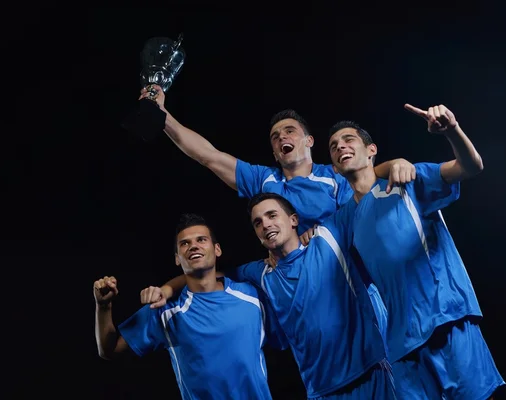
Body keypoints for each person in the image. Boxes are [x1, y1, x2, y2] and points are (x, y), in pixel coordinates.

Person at [138, 85, 415, 336]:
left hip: (348, 285)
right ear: (274, 153)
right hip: (299, 291)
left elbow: (364, 188)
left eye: (290, 131)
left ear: (309, 141)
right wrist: (163, 117)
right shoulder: (264, 180)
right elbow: (208, 156)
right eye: (275, 136)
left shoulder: (334, 177)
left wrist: (394, 164)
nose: (282, 136)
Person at [327, 103, 506, 399]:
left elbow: (471, 166)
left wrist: (452, 130)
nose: (340, 146)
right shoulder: (345, 219)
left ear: (371, 149)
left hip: (446, 319)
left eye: (348, 140)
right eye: (333, 146)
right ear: (334, 167)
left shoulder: (406, 180)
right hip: (401, 345)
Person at [143, 193, 396, 399]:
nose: (265, 224)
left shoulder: (329, 236)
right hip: (320, 390)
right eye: (257, 222)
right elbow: (203, 272)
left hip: (370, 373)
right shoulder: (258, 273)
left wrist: (395, 164)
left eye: (272, 215)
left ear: (293, 219)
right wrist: (166, 289)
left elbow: (365, 189)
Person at [94, 213, 284, 400]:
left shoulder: (252, 296)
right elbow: (108, 350)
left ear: (217, 249)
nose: (193, 246)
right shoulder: (166, 312)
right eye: (184, 243)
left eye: (201, 240)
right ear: (177, 258)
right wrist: (103, 306)